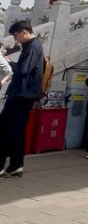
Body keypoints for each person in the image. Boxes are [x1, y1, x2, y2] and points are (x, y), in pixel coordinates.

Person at [0, 20, 44, 178]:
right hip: (25, 94)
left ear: (24, 32)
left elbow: (24, 70)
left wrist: (8, 63)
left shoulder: (32, 46)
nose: (15, 39)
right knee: (17, 131)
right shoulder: (33, 45)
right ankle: (16, 165)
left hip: (21, 94)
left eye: (16, 35)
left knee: (5, 128)